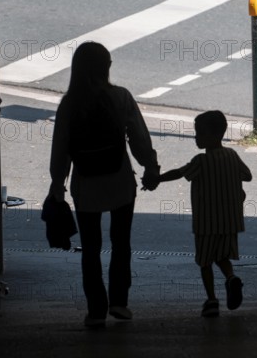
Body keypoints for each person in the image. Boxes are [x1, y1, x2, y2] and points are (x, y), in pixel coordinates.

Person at [48, 42, 161, 328]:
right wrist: (150, 166)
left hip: (86, 186)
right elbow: (138, 137)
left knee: (91, 247)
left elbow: (60, 148)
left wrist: (57, 184)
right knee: (121, 243)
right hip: (120, 183)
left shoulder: (69, 104)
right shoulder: (120, 97)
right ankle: (120, 302)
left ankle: (96, 308)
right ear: (105, 67)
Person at [157, 110, 252, 318]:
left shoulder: (200, 161)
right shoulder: (232, 155)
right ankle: (231, 278)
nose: (196, 138)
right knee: (222, 255)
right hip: (229, 221)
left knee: (205, 261)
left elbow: (179, 173)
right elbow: (248, 176)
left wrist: (157, 179)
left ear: (210, 136)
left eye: (199, 133)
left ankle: (211, 300)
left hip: (207, 223)